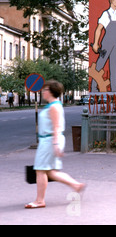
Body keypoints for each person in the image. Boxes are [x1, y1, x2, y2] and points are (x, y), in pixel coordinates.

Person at [25, 80, 85, 209]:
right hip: (49, 140)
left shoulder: (54, 107)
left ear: (51, 91)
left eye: (45, 89)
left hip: (50, 140)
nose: (43, 91)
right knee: (50, 171)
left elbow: (57, 126)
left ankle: (40, 201)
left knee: (40, 170)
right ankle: (76, 185)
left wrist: (56, 144)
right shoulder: (53, 105)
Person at [91, 0, 116, 92]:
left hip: (115, 43)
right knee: (100, 64)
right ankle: (93, 87)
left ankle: (114, 87)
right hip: (107, 43)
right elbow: (99, 29)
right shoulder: (106, 14)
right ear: (111, 0)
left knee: (114, 65)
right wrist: (96, 43)